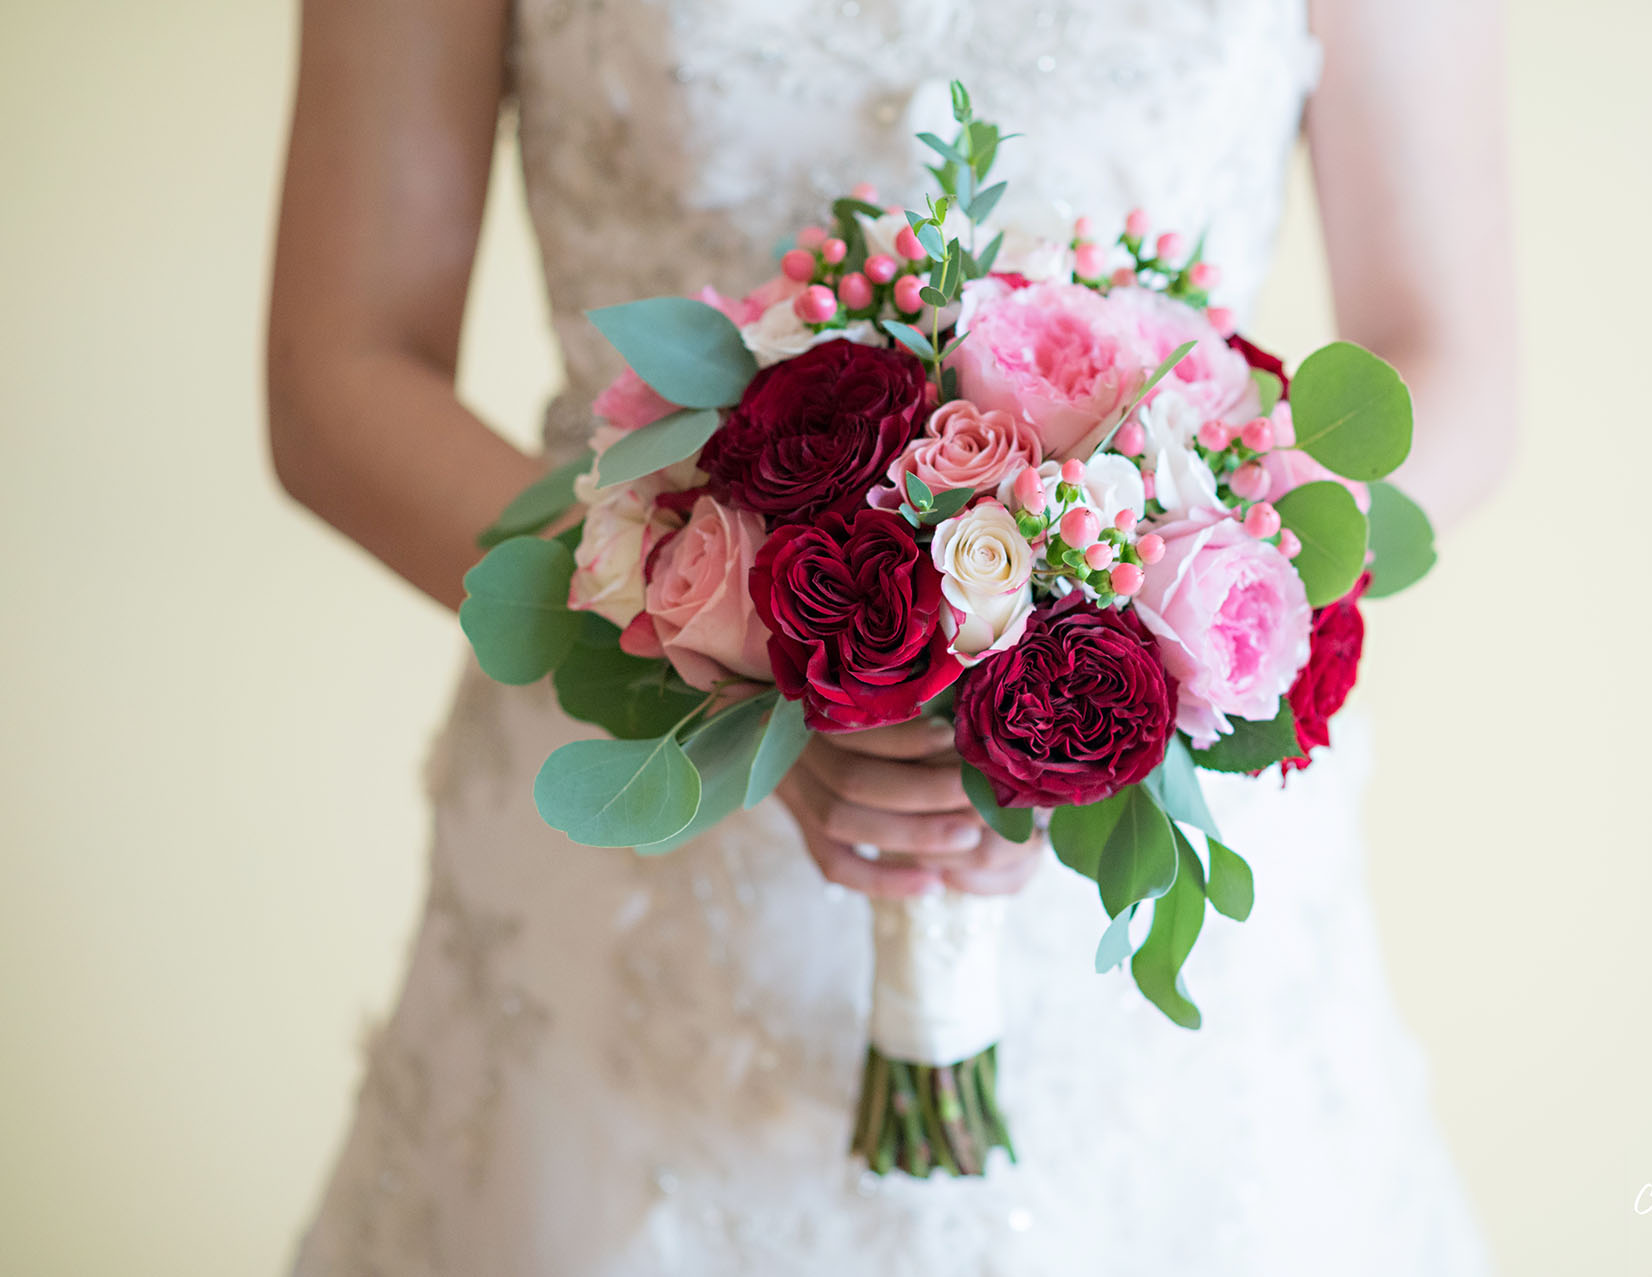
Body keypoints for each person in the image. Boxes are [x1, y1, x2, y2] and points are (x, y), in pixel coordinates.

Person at [269, 1, 1516, 1272]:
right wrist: (730, 652)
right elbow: (344, 369)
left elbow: (1453, 362)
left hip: (1143, 830)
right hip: (643, 856)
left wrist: (1151, 588)